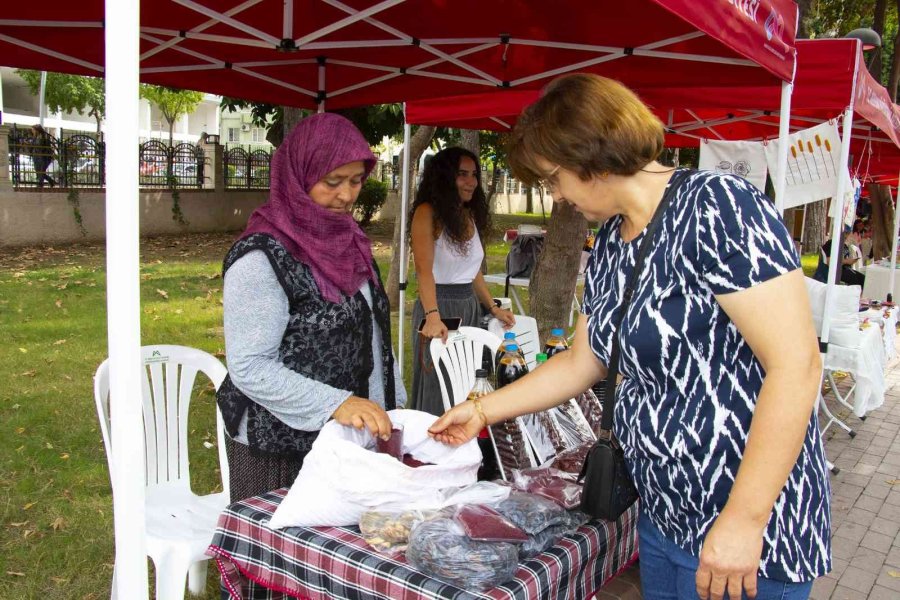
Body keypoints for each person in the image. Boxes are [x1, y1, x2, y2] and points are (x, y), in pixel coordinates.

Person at [429, 74, 830, 600]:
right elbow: (583, 361)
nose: (557, 197)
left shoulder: (718, 208)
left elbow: (796, 366)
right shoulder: (614, 243)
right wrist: (483, 410)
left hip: (742, 522)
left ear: (590, 157)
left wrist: (744, 520)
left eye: (554, 179)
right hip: (664, 512)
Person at [217, 113, 406, 504]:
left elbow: (371, 333)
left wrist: (392, 402)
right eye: (332, 182)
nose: (348, 195)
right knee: (280, 560)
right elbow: (250, 366)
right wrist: (335, 403)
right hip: (277, 449)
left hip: (346, 440)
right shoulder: (260, 257)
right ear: (299, 180)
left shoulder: (350, 241)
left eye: (356, 180)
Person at [409, 147, 515, 415]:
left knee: (467, 382)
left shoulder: (467, 215)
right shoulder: (427, 212)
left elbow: (473, 270)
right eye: (462, 175)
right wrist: (433, 316)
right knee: (439, 385)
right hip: (438, 306)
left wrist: (492, 307)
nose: (472, 182)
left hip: (468, 306)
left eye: (474, 175)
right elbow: (423, 270)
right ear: (445, 177)